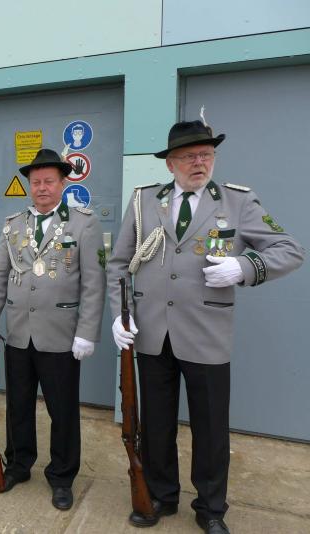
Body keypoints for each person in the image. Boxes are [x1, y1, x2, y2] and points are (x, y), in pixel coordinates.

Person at [106, 120, 305, 534]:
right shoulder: (145, 201)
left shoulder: (237, 202)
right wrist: (119, 314)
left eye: (206, 154)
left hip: (207, 333)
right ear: (170, 164)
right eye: (189, 156)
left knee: (211, 428)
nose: (199, 162)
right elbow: (120, 263)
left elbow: (289, 249)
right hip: (152, 332)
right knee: (156, 423)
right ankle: (161, 495)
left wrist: (244, 266)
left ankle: (211, 508)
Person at [0, 148, 105, 510]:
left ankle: (62, 476)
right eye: (36, 182)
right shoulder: (13, 224)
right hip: (19, 332)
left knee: (62, 410)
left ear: (63, 184)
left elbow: (93, 283)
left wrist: (87, 331)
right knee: (18, 404)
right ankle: (19, 465)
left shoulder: (83, 223)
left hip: (60, 333)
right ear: (29, 186)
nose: (42, 188)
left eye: (49, 181)